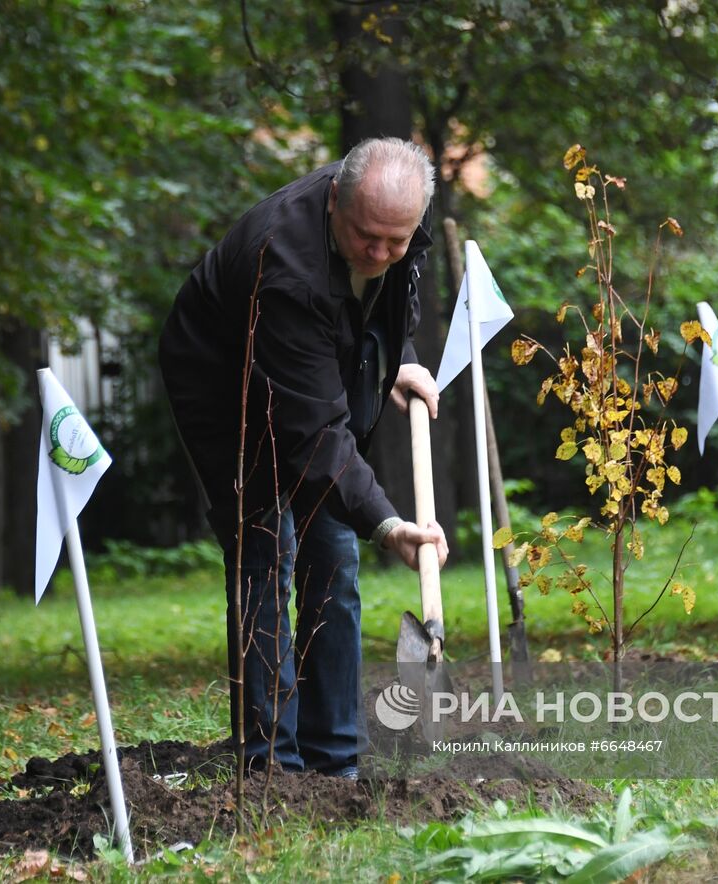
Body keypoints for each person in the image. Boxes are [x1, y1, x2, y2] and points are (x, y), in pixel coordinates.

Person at [157, 138, 449, 779]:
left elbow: (388, 297)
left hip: (311, 366)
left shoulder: (391, 223)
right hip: (221, 380)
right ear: (335, 203)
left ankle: (335, 760)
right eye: (365, 237)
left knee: (333, 560)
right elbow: (315, 436)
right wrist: (388, 523)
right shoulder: (284, 265)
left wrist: (395, 356)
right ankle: (273, 768)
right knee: (267, 547)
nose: (379, 254)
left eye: (394, 242)